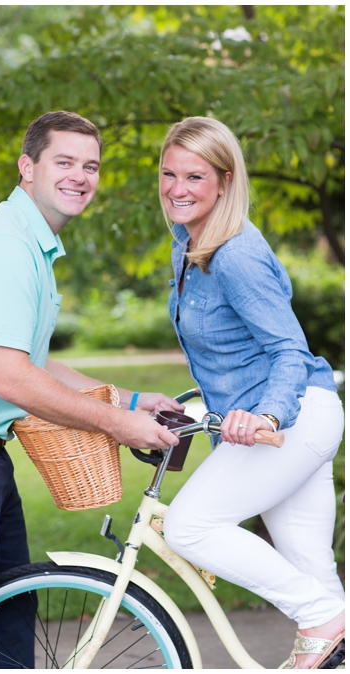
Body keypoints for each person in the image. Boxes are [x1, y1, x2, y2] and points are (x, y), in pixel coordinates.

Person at [0, 110, 184, 668]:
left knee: (3, 640)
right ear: (27, 167)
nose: (81, 176)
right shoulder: (6, 245)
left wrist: (128, 399)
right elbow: (10, 377)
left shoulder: (30, 245)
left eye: (91, 166)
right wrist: (115, 423)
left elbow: (33, 361)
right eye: (65, 162)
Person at [155, 116, 344, 670]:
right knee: (314, 570)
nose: (178, 188)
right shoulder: (188, 243)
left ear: (224, 180)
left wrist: (265, 415)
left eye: (194, 176)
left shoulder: (234, 253)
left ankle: (321, 615)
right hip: (286, 420)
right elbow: (230, 350)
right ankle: (328, 619)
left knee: (189, 525)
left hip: (289, 420)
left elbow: (288, 349)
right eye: (169, 174)